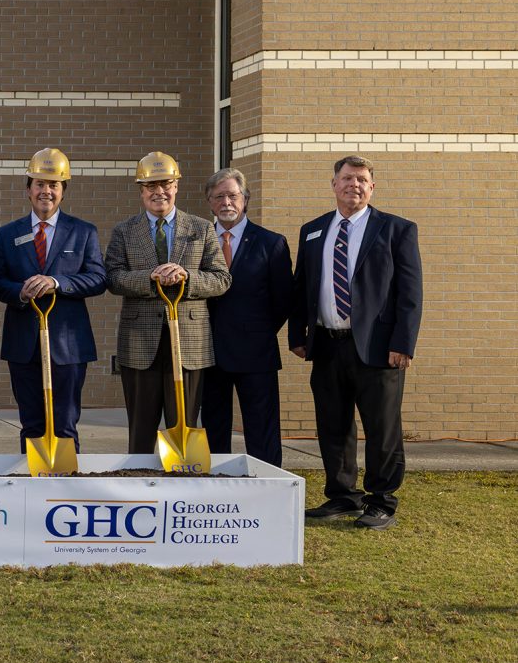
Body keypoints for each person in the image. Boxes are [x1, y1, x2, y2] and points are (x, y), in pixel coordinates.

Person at [290, 156, 421, 531]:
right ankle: (343, 495)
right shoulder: (313, 230)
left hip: (378, 349)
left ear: (372, 187)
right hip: (328, 345)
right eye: (347, 178)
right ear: (333, 184)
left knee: (382, 428)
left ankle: (381, 501)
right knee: (333, 424)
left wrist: (404, 343)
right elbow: (302, 285)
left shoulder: (396, 229)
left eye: (362, 179)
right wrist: (298, 333)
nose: (355, 185)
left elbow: (410, 294)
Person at [105, 152, 231, 454]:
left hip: (189, 343)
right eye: (150, 186)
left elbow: (221, 279)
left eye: (165, 184)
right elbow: (113, 277)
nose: (158, 192)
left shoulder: (201, 228)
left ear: (176, 186)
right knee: (140, 430)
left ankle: (180, 490)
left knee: (185, 426)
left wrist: (186, 277)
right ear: (141, 190)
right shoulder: (124, 231)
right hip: (139, 343)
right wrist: (151, 278)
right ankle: (139, 488)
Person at [0, 149, 107, 451]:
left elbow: (98, 278)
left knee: (65, 423)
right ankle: (31, 485)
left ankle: (66, 487)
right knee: (31, 423)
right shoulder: (7, 234)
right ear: (28, 190)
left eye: (54, 185)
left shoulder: (83, 232)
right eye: (40, 184)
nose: (46, 192)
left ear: (63, 191)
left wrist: (56, 282)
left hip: (68, 344)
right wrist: (19, 293)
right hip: (23, 343)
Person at [202, 167, 294, 465]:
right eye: (219, 197)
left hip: (256, 352)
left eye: (232, 195)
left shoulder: (271, 243)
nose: (226, 202)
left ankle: (266, 484)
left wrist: (256, 331)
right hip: (207, 352)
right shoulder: (196, 242)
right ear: (210, 202)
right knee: (213, 428)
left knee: (262, 429)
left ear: (245, 199)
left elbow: (283, 301)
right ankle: (214, 486)